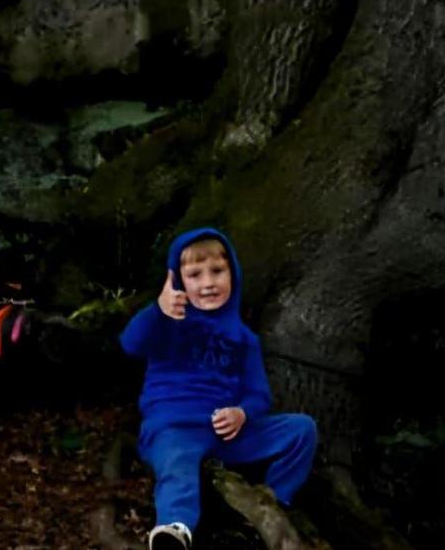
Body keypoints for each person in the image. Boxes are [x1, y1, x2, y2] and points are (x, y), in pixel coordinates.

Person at [121, 228, 318, 550]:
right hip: (176, 428)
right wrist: (158, 309)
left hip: (227, 434)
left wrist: (242, 413)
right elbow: (131, 344)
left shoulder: (245, 339)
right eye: (195, 275)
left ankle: (273, 498)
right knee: (178, 466)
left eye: (217, 271)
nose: (208, 282)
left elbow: (258, 395)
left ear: (233, 274)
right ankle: (175, 528)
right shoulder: (168, 321)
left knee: (301, 429)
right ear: (178, 281)